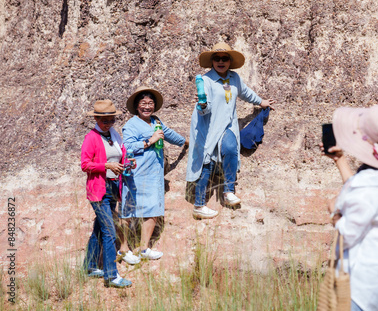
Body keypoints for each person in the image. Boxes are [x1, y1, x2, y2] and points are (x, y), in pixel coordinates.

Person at [321, 105, 378, 311]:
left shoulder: (368, 187)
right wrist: (340, 160)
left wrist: (335, 212)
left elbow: (348, 232)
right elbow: (363, 195)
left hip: (358, 287)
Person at [186, 42, 276, 219]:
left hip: (227, 125)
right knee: (207, 162)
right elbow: (204, 109)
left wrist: (261, 102)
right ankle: (199, 205)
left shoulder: (234, 78)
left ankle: (228, 192)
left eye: (224, 58)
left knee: (230, 148)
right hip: (208, 127)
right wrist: (202, 104)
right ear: (212, 61)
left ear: (229, 61)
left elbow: (245, 92)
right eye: (217, 58)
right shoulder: (205, 80)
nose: (221, 61)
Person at [120, 86, 188, 260]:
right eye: (143, 103)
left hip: (153, 174)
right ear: (137, 106)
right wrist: (149, 141)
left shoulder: (157, 121)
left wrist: (185, 142)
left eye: (150, 103)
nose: (147, 106)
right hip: (135, 174)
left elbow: (168, 134)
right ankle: (124, 248)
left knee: (152, 208)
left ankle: (144, 248)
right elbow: (127, 147)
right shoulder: (131, 125)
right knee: (128, 211)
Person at [81, 100, 134, 288]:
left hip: (112, 187)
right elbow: (85, 165)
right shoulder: (91, 138)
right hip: (98, 190)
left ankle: (90, 266)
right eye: (104, 120)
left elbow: (122, 155)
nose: (108, 123)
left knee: (99, 228)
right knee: (109, 232)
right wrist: (106, 165)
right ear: (96, 118)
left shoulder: (114, 135)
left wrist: (128, 162)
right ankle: (112, 276)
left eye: (111, 120)